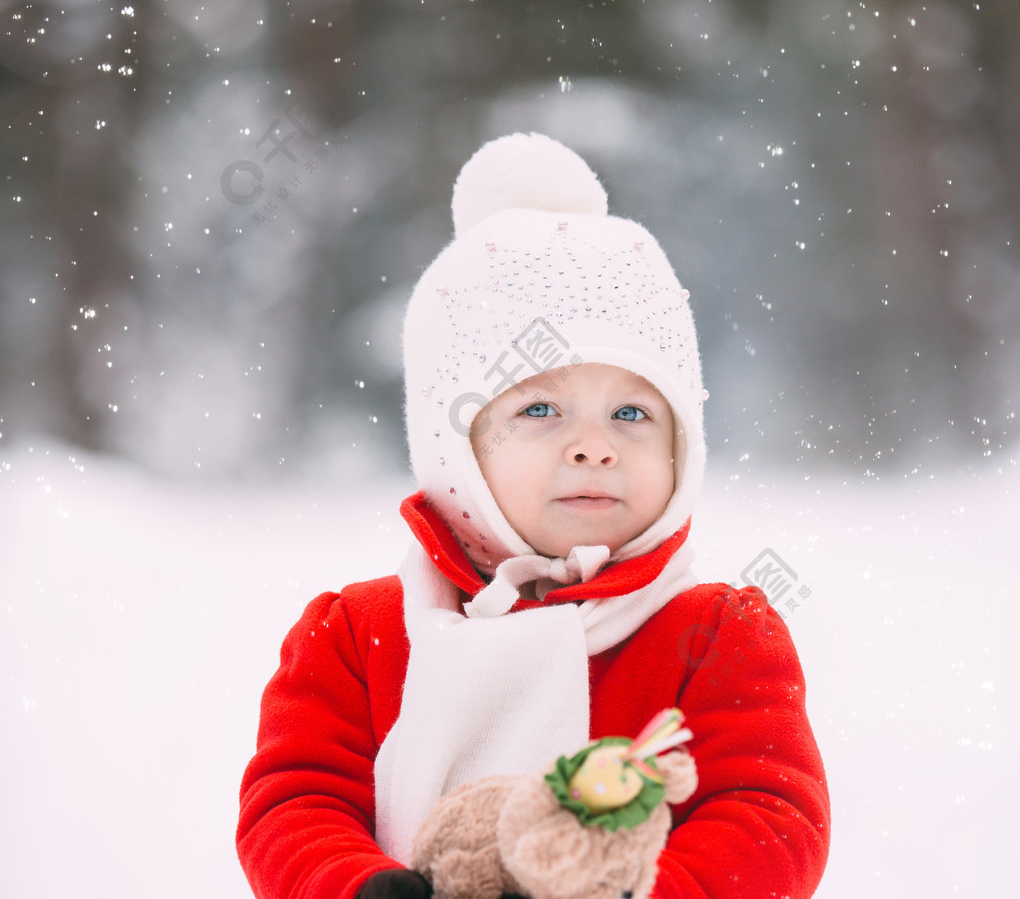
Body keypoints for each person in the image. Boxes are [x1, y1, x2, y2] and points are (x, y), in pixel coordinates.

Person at [236, 133, 830, 899]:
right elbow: (294, 802)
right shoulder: (358, 635)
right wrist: (353, 885)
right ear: (457, 449)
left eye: (631, 413)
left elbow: (771, 817)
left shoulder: (714, 636)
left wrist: (656, 890)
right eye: (540, 409)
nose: (594, 447)